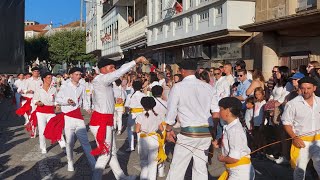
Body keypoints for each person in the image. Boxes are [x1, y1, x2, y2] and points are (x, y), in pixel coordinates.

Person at [89, 57, 146, 180]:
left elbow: (103, 99)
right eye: (111, 67)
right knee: (105, 155)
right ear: (103, 69)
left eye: (114, 67)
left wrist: (115, 99)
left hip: (106, 120)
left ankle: (121, 177)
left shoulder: (104, 82)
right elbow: (118, 73)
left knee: (112, 152)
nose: (114, 70)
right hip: (101, 122)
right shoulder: (101, 79)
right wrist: (135, 61)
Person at [165, 60, 216, 180]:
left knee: (177, 168)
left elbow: (171, 111)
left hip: (189, 133)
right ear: (196, 71)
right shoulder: (208, 87)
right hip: (205, 132)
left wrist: (168, 129)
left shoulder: (178, 87)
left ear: (182, 71)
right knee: (200, 168)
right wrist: (213, 130)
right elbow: (216, 111)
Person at [45, 67, 96, 172]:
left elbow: (85, 100)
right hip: (68, 117)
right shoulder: (65, 86)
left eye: (79, 74)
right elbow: (58, 99)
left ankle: (93, 163)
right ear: (71, 75)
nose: (78, 76)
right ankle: (70, 162)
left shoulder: (82, 87)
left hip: (78, 116)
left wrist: (87, 108)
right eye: (76, 74)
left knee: (85, 142)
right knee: (70, 142)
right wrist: (67, 101)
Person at [281, 77, 320, 179]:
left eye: (309, 88)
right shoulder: (292, 104)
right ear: (299, 88)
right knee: (299, 171)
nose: (306, 91)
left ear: (314, 88)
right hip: (301, 142)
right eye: (303, 88)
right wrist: (294, 137)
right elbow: (286, 123)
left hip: (318, 141)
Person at [214, 97, 255, 180]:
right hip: (235, 170)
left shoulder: (234, 130)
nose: (219, 112)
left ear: (228, 111)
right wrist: (219, 144)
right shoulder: (230, 127)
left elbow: (234, 158)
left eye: (221, 109)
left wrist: (222, 158)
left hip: (240, 173)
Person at [31, 72, 66, 154]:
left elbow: (56, 100)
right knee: (42, 130)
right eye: (48, 78)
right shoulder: (39, 90)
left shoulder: (53, 89)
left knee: (56, 127)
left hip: (51, 112)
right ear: (44, 79)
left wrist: (57, 105)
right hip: (41, 112)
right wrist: (38, 102)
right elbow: (34, 100)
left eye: (51, 78)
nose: (50, 79)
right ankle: (43, 147)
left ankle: (63, 144)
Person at [136, 97, 164, 180]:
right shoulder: (157, 115)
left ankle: (143, 178)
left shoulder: (140, 116)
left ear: (143, 105)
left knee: (144, 161)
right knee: (153, 162)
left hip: (144, 139)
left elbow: (137, 130)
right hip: (154, 138)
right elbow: (162, 129)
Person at [125, 80, 146, 152]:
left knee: (130, 129)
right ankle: (140, 147)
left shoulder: (130, 95)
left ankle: (131, 146)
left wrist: (127, 113)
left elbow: (127, 106)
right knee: (140, 130)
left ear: (133, 87)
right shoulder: (144, 95)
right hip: (142, 114)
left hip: (133, 114)